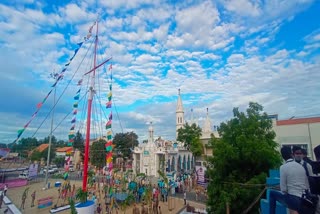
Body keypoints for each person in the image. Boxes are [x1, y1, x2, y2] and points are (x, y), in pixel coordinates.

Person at [269, 146, 308, 214]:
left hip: (293, 199)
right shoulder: (301, 166)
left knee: (272, 193)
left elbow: (283, 189)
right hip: (303, 198)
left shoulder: (283, 167)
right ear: (292, 154)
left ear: (282, 156)